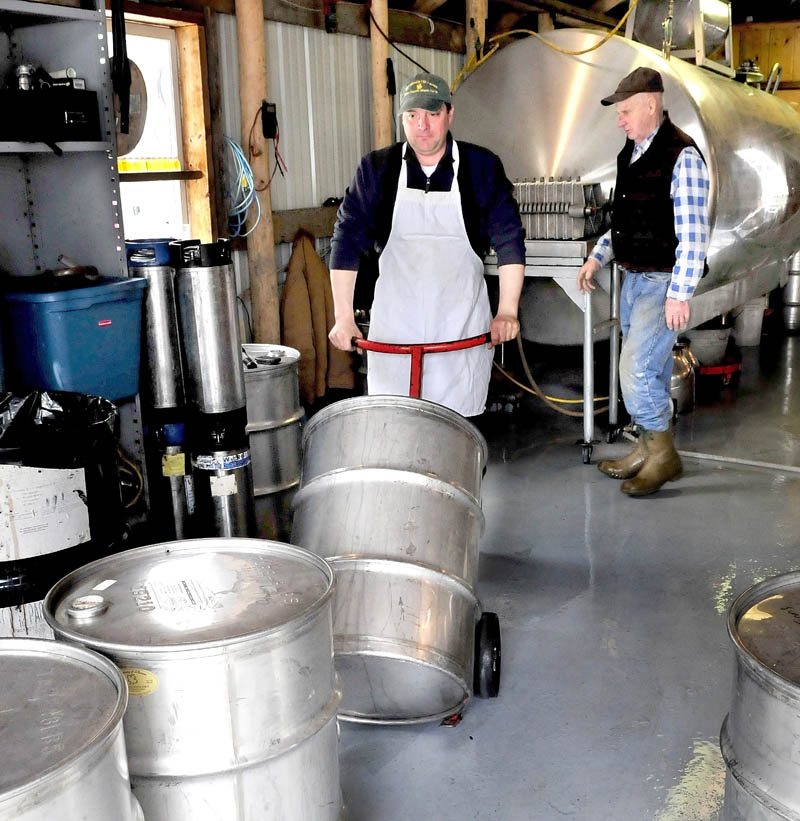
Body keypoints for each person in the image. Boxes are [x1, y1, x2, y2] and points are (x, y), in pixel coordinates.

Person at [328, 72, 525, 417]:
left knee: (456, 433)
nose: (423, 126)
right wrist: (343, 316)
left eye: (433, 115)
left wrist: (507, 310)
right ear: (402, 118)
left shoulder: (481, 167)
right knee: (396, 428)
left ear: (450, 114)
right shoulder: (378, 169)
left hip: (460, 331)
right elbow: (346, 239)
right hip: (395, 334)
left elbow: (509, 239)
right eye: (412, 115)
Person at [577, 66, 710, 496]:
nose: (620, 119)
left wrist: (680, 293)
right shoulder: (630, 154)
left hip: (662, 282)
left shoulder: (681, 156)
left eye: (627, 110)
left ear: (652, 105)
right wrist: (596, 258)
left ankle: (665, 456)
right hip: (633, 280)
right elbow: (622, 221)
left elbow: (694, 234)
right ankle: (648, 450)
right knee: (646, 372)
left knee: (634, 370)